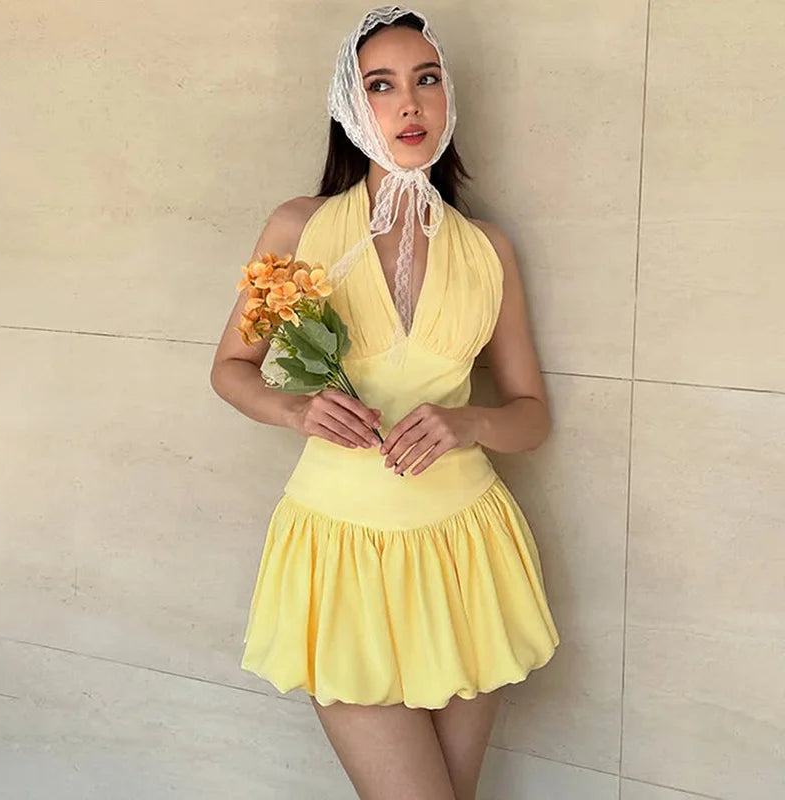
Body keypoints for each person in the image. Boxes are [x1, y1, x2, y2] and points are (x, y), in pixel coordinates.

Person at [210, 6, 559, 799]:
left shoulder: (488, 249)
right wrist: (296, 411)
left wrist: (470, 421)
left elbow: (532, 413)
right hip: (340, 555)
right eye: (382, 86)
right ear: (349, 106)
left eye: (426, 80)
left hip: (467, 553)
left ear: (448, 99)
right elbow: (232, 367)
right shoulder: (300, 227)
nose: (410, 104)